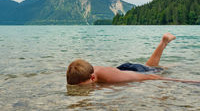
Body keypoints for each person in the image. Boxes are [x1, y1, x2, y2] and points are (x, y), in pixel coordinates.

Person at [66, 33, 199, 85]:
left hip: (131, 71)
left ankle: (164, 43)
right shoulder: (79, 73)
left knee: (156, 72)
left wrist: (189, 81)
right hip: (123, 69)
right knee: (152, 67)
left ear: (93, 78)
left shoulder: (109, 77)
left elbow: (152, 78)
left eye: (81, 89)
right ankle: (163, 43)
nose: (81, 92)